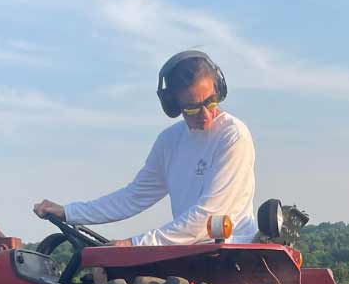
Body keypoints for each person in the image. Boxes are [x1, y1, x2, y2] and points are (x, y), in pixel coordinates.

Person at [32, 50, 258, 246]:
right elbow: (133, 197)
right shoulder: (170, 141)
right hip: (189, 250)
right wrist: (69, 212)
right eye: (192, 109)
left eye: (210, 102)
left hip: (235, 253)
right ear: (173, 105)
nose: (205, 114)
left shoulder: (233, 135)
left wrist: (134, 244)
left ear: (219, 90)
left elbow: (209, 214)